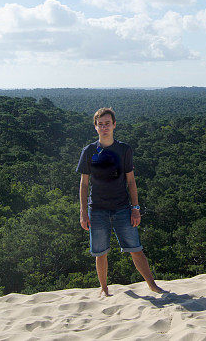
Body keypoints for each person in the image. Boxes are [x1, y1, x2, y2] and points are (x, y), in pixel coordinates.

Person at [77, 107, 164, 297]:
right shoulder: (89, 151)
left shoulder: (124, 149)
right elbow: (84, 184)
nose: (104, 127)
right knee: (100, 252)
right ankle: (104, 289)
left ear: (114, 125)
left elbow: (131, 181)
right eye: (100, 124)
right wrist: (83, 212)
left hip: (122, 208)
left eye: (107, 123)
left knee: (136, 249)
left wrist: (135, 208)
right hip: (97, 209)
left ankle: (152, 285)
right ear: (95, 127)